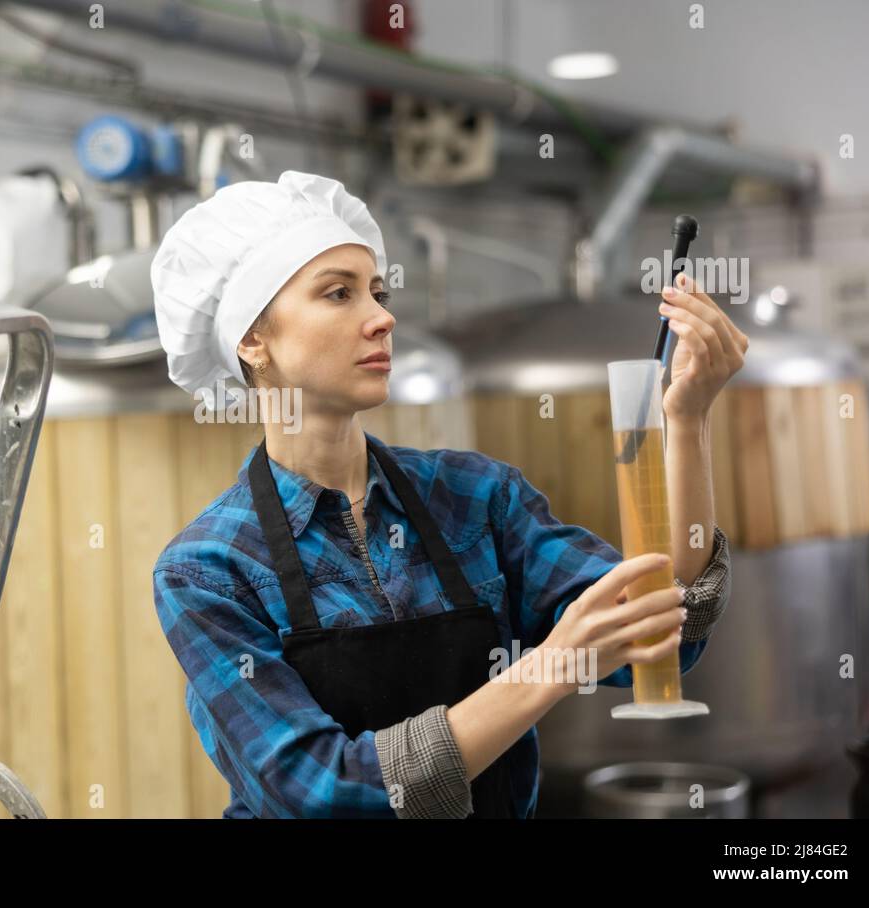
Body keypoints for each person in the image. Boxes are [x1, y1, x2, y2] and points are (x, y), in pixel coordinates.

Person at [150, 170, 742, 818]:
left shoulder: (473, 496)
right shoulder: (210, 570)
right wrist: (551, 667)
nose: (381, 318)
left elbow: (658, 630)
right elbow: (326, 793)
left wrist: (686, 421)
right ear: (252, 339)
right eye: (338, 294)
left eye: (376, 292)